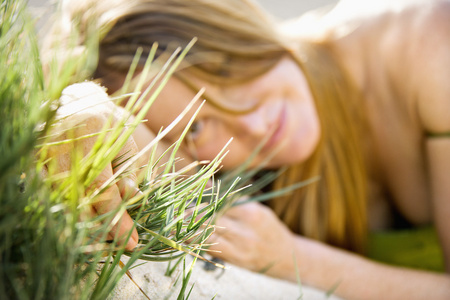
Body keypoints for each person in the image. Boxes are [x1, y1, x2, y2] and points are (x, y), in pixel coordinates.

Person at [42, 0, 450, 298]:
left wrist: (293, 258)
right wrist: (82, 105)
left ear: (236, 19)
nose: (252, 123)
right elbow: (144, 154)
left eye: (222, 68)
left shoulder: (428, 45)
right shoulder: (250, 175)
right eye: (197, 128)